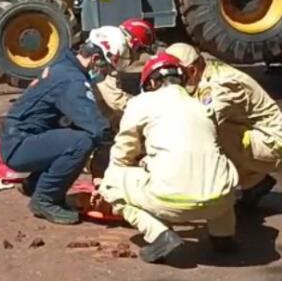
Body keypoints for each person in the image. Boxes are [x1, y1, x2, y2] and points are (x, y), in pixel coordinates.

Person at [97, 53, 239, 263]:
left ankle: (160, 235)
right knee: (214, 170)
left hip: (171, 200)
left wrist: (105, 185)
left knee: (111, 181)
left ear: (152, 82)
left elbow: (123, 153)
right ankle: (223, 235)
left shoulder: (142, 102)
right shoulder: (202, 106)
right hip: (222, 199)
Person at [0, 28, 128, 225]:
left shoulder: (65, 64)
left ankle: (34, 184)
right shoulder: (72, 81)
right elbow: (96, 126)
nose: (104, 73)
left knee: (75, 133)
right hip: (18, 144)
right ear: (94, 59)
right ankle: (45, 199)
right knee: (82, 142)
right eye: (105, 67)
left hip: (18, 138)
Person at [165, 42, 282, 209]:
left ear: (191, 70)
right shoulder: (204, 73)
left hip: (273, 145)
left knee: (209, 132)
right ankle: (254, 183)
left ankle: (216, 190)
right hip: (254, 135)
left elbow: (203, 123)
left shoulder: (220, 86)